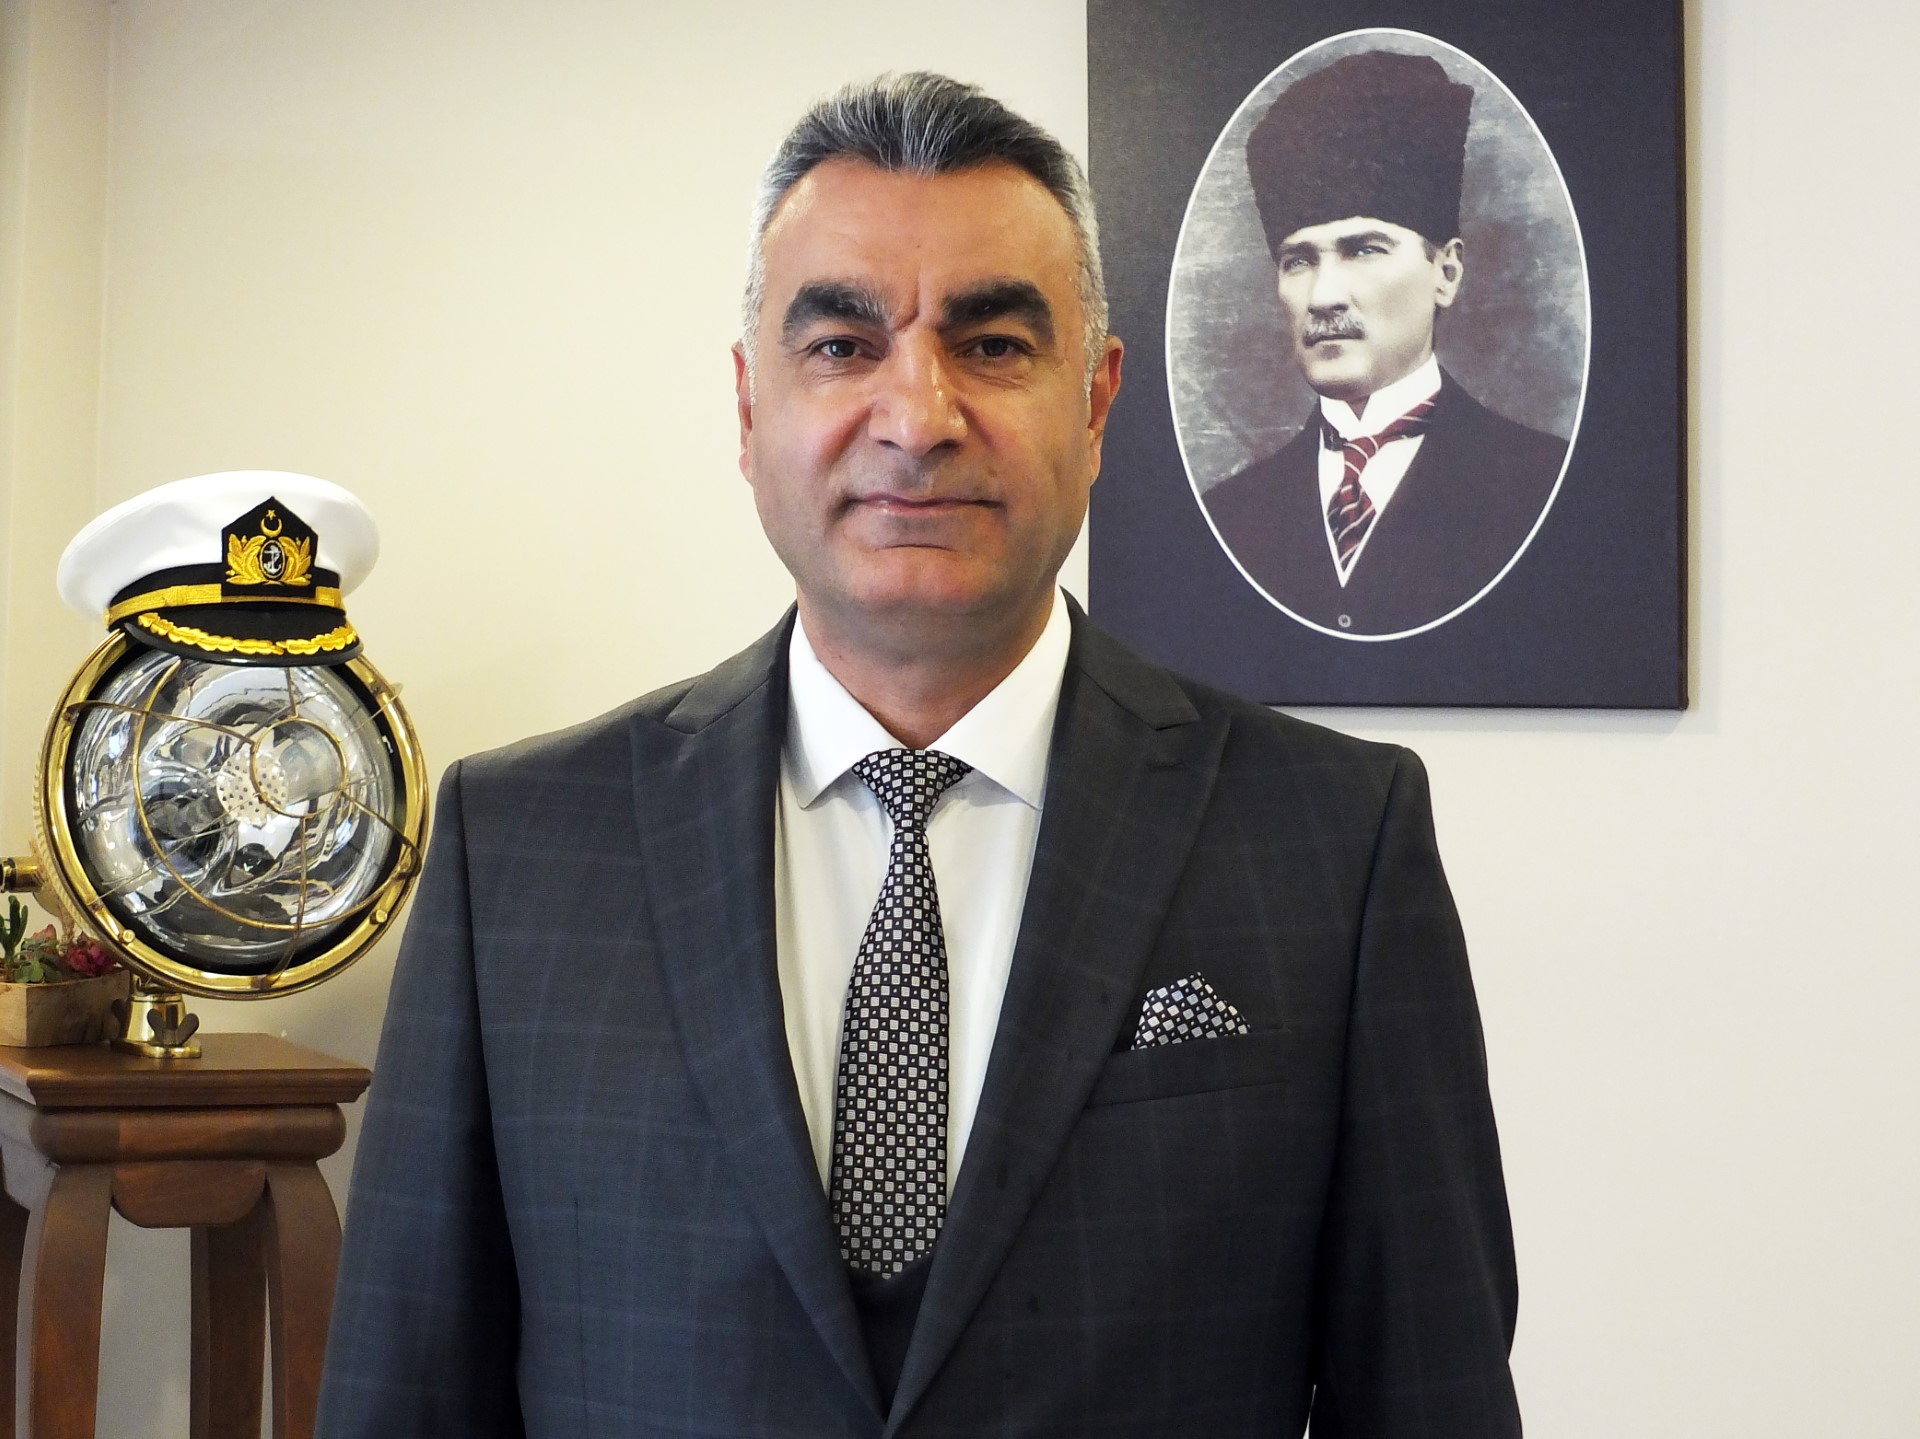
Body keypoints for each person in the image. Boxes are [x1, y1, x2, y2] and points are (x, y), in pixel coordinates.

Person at [318, 72, 1520, 1438]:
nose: (917, 415)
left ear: (1097, 402)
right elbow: (404, 1396)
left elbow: (1430, 1395)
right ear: (748, 407)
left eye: (994, 344)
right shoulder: (519, 849)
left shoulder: (1335, 841)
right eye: (842, 345)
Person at [1203, 49, 1569, 637]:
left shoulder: (1543, 483)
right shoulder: (1229, 514)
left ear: (1446, 272)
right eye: (1298, 260)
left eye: (1364, 250)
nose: (1324, 296)